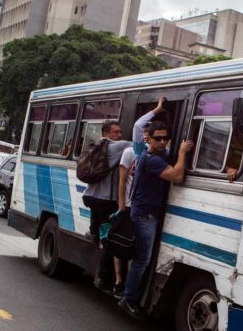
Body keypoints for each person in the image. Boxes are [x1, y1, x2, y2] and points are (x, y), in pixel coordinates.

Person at [118, 121, 193, 317]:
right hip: (144, 216)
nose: (162, 142)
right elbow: (177, 176)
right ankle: (129, 299)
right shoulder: (150, 159)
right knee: (142, 259)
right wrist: (183, 152)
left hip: (148, 213)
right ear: (148, 139)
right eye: (157, 138)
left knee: (142, 258)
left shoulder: (159, 155)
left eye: (165, 138)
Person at [111, 100, 166, 298]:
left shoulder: (162, 152)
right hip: (134, 207)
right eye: (152, 136)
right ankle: (123, 288)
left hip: (138, 207)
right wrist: (156, 111)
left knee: (136, 252)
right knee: (129, 248)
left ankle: (126, 288)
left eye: (164, 138)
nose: (161, 141)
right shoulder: (139, 152)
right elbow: (122, 180)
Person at [82, 120, 131, 293]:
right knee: (110, 242)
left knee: (100, 233)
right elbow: (139, 145)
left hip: (90, 197)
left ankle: (94, 233)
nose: (119, 135)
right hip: (104, 201)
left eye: (120, 132)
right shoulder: (116, 147)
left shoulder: (96, 147)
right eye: (116, 132)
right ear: (106, 134)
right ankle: (103, 279)